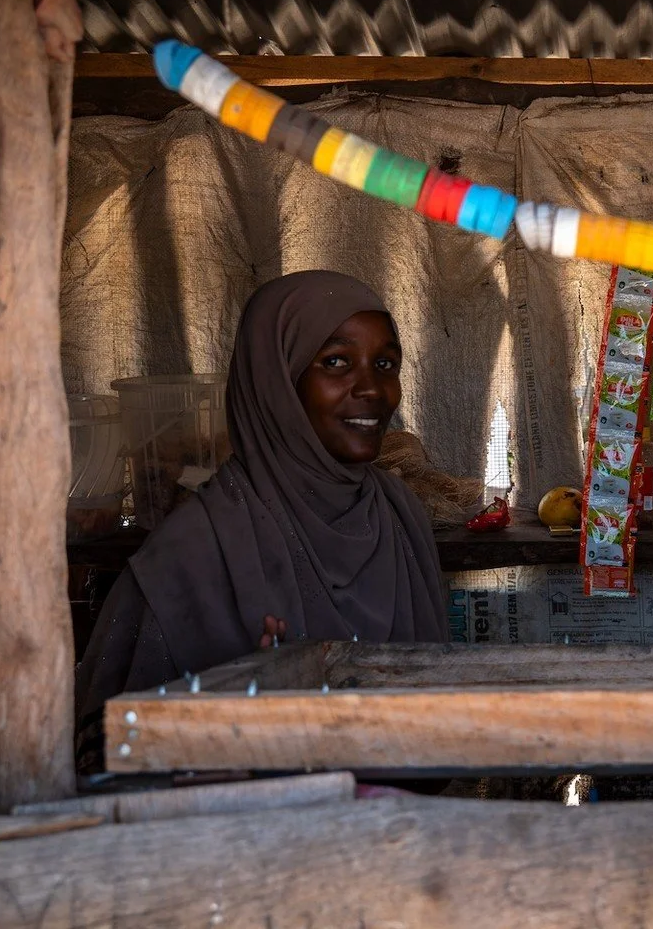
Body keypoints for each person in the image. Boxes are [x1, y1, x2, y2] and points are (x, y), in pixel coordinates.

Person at [75, 271, 449, 753]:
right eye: (335, 362)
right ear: (273, 382)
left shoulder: (401, 517)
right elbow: (110, 754)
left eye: (385, 364)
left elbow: (436, 718)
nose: (373, 389)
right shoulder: (192, 553)